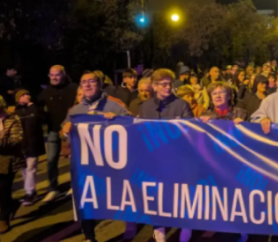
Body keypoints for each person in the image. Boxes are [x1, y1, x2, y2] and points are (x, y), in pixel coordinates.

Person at [59, 71, 132, 242]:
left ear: (99, 85)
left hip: (113, 163)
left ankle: (130, 228)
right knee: (86, 199)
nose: (87, 85)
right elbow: (64, 134)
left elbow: (132, 124)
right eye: (84, 82)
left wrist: (117, 119)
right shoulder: (75, 111)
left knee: (121, 197)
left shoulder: (114, 105)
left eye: (92, 81)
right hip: (86, 165)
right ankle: (89, 237)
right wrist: (65, 131)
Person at [139, 69, 193, 242]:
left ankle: (186, 226)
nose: (168, 87)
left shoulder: (182, 104)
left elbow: (191, 132)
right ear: (154, 86)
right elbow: (138, 132)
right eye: (164, 84)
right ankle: (159, 229)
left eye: (170, 83)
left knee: (181, 195)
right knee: (158, 197)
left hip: (179, 161)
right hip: (155, 162)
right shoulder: (146, 107)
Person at [37, 65, 78, 203]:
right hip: (53, 129)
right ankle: (53, 188)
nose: (54, 78)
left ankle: (74, 185)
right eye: (52, 75)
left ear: (63, 74)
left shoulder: (73, 88)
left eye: (57, 75)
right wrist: (43, 117)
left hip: (70, 129)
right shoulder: (46, 91)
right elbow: (37, 105)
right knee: (51, 160)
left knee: (73, 160)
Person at [13, 90, 44, 206]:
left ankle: (30, 192)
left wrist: (33, 107)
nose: (27, 96)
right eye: (23, 95)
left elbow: (40, 118)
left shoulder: (34, 108)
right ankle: (30, 191)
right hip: (21, 144)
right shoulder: (16, 111)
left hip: (32, 143)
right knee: (24, 169)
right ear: (18, 98)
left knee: (31, 168)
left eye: (28, 94)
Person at [0, 107, 24, 234]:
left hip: (7, 161)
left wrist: (1, 141)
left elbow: (17, 139)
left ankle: (3, 219)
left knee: (3, 189)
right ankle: (11, 205)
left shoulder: (12, 119)